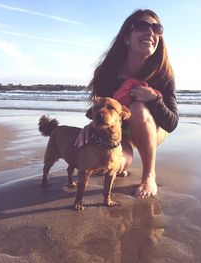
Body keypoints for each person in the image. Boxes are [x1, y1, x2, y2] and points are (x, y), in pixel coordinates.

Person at [75, 9, 179, 198]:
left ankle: (149, 176)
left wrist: (154, 100)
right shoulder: (107, 72)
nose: (150, 32)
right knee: (118, 164)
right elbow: (100, 109)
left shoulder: (164, 74)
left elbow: (171, 124)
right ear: (126, 39)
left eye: (156, 28)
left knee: (138, 108)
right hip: (118, 132)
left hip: (153, 129)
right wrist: (91, 126)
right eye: (141, 26)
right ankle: (123, 160)